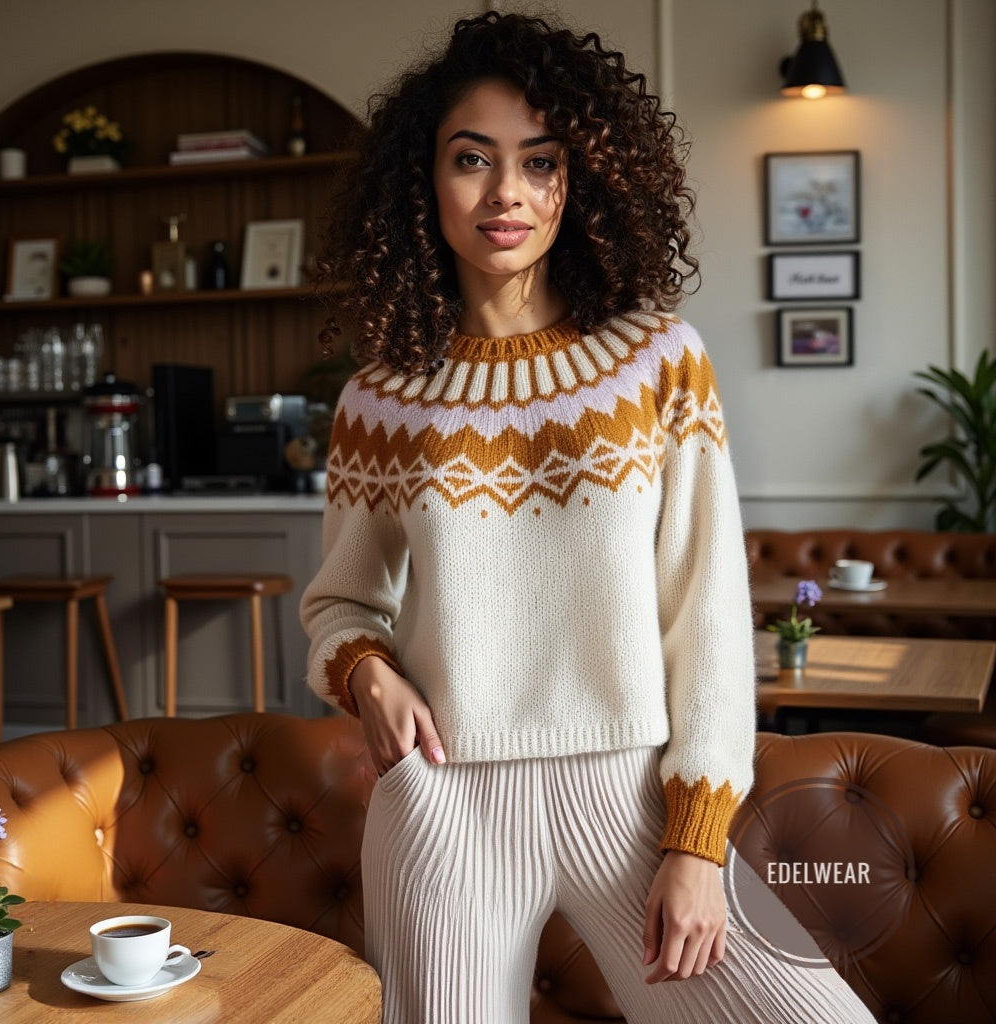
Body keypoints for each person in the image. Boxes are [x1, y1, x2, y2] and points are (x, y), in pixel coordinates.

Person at [301, 11, 874, 1023]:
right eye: (471, 159)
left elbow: (706, 610)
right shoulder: (380, 401)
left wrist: (696, 842)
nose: (506, 192)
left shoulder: (657, 362)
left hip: (632, 800)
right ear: (422, 181)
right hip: (445, 804)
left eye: (540, 161)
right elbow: (339, 602)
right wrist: (367, 673)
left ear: (581, 181)